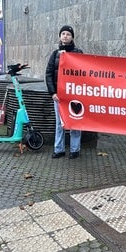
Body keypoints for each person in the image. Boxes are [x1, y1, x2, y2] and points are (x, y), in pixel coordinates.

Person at [45, 25, 83, 159]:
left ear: (72, 37)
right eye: (63, 34)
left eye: (68, 34)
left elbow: (84, 73)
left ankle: (75, 149)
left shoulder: (78, 53)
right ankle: (59, 149)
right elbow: (49, 74)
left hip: (74, 95)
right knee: (59, 123)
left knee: (75, 122)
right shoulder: (55, 54)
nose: (65, 36)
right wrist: (52, 92)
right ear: (60, 36)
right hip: (59, 96)